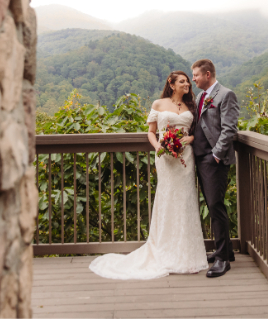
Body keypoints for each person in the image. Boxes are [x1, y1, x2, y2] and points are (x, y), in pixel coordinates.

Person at [89, 71, 209, 279]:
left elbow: (194, 133)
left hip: (186, 158)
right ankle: (164, 250)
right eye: (182, 81)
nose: (187, 83)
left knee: (186, 201)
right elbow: (151, 132)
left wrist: (186, 141)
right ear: (171, 85)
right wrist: (158, 147)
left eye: (188, 81)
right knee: (168, 199)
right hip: (165, 158)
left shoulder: (192, 106)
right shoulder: (158, 104)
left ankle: (188, 255)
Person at [191, 58, 239, 278]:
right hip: (200, 159)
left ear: (207, 74)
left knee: (216, 206)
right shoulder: (201, 96)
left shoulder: (226, 94)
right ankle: (226, 250)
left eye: (196, 75)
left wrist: (216, 156)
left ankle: (222, 260)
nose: (194, 79)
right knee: (213, 206)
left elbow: (229, 129)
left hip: (214, 161)